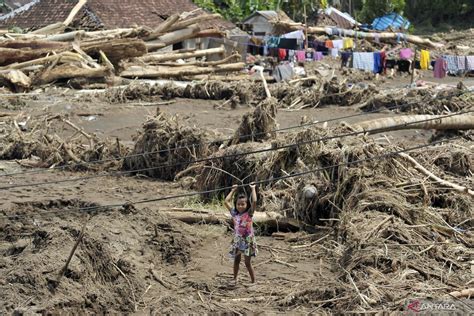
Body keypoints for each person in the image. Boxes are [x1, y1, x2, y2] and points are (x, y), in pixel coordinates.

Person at [224, 183, 257, 285]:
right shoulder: (235, 213)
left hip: (248, 240)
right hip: (238, 240)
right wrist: (233, 190)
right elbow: (226, 201)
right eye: (238, 204)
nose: (240, 206)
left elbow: (255, 201)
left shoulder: (249, 213)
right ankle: (235, 279)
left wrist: (253, 189)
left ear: (247, 205)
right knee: (236, 260)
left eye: (243, 204)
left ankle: (253, 281)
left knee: (247, 263)